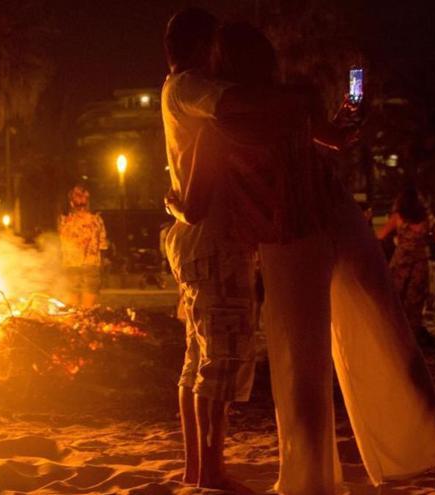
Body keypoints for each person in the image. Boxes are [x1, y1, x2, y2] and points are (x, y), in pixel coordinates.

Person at [166, 17, 435, 495]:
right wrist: (353, 96)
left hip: (288, 238)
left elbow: (197, 198)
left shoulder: (221, 122)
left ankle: (310, 482)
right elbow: (339, 137)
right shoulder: (292, 100)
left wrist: (174, 203)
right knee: (387, 330)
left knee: (300, 369)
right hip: (337, 214)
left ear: (222, 62)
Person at [160, 9, 258, 491]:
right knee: (217, 362)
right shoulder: (193, 91)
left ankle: (197, 468)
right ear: (203, 48)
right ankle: (211, 470)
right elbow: (237, 102)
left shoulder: (179, 93)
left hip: (196, 244)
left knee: (198, 359)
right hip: (215, 243)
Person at [376, 187, 435, 344]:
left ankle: (394, 335)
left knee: (395, 298)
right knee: (415, 301)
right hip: (420, 262)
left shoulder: (398, 218)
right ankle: (412, 336)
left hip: (401, 261)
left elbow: (380, 235)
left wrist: (396, 240)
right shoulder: (429, 218)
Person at [58, 185, 108, 307]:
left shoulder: (64, 222)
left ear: (71, 203)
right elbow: (102, 246)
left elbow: (61, 245)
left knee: (72, 308)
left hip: (70, 266)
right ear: (88, 202)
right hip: (91, 265)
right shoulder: (96, 221)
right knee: (87, 310)